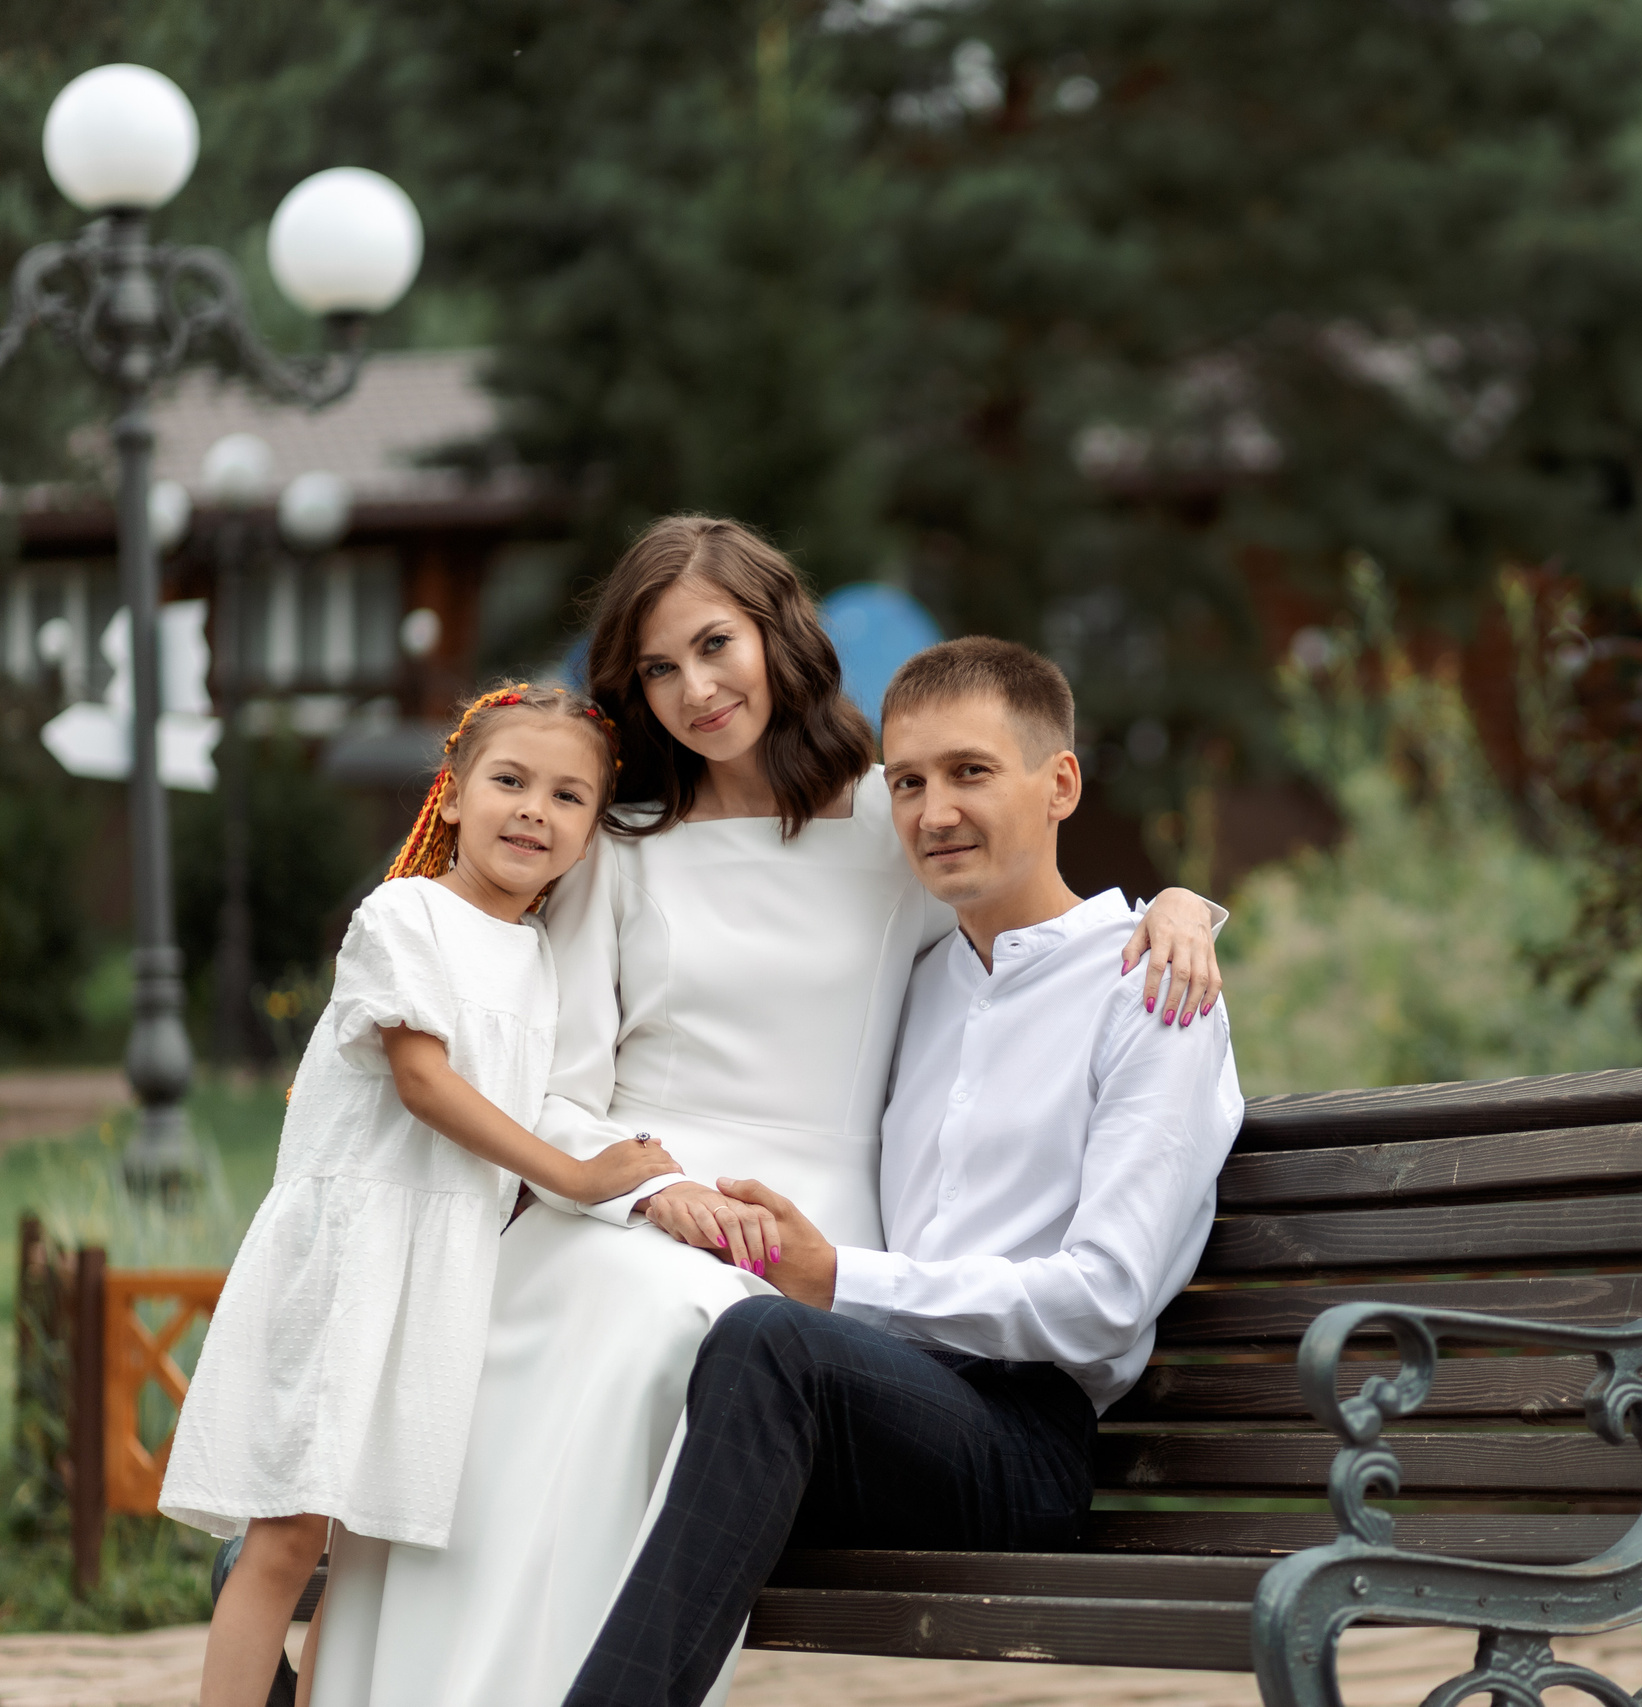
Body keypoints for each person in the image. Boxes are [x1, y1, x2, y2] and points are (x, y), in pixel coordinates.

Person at [306, 519, 1226, 1707]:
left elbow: (1035, 889)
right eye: (655, 668)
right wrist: (645, 1187)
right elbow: (564, 1086)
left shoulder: (883, 832)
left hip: (822, 1260)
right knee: (591, 1313)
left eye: (714, 643)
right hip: (651, 1203)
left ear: (777, 633)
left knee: (689, 1327)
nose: (694, 688)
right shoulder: (623, 846)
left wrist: (1181, 909)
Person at [565, 636, 1244, 1706]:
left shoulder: (1148, 995)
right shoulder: (923, 981)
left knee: (767, 1341)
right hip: (883, 1414)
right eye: (911, 781)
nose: (933, 813)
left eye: (971, 773)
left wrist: (841, 1278)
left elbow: (1106, 1300)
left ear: (1058, 782)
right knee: (617, 1369)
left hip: (1022, 1447)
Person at [164, 684, 680, 1707]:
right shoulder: (406, 916)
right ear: (451, 797)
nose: (536, 809)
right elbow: (424, 1081)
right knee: (288, 1534)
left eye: (569, 796)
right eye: (510, 781)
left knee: (366, 1558)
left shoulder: (539, 959)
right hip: (355, 1256)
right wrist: (572, 1173)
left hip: (442, 1276)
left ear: (591, 834)